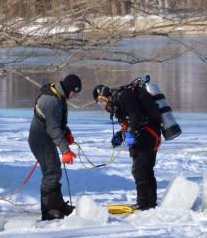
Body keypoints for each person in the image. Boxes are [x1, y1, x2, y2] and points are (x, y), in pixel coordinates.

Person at [93, 80, 163, 210]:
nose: (103, 105)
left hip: (148, 134)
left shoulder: (124, 95)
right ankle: (150, 203)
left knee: (139, 169)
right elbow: (129, 121)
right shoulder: (117, 105)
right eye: (99, 103)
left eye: (102, 101)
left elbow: (135, 115)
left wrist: (131, 133)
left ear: (107, 95)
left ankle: (143, 203)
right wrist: (121, 135)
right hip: (145, 134)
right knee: (146, 169)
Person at [28, 74, 82, 220]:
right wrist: (65, 150)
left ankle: (57, 205)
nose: (75, 96)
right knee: (51, 172)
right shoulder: (51, 100)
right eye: (76, 93)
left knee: (55, 170)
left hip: (47, 137)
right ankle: (47, 211)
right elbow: (53, 128)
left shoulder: (58, 95)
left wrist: (67, 133)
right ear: (71, 89)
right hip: (40, 140)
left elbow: (58, 123)